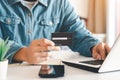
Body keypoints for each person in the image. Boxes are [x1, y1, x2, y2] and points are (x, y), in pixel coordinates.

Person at [0, 0, 110, 64]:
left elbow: (77, 33)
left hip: (47, 72)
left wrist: (94, 47)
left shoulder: (60, 3)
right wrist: (22, 53)